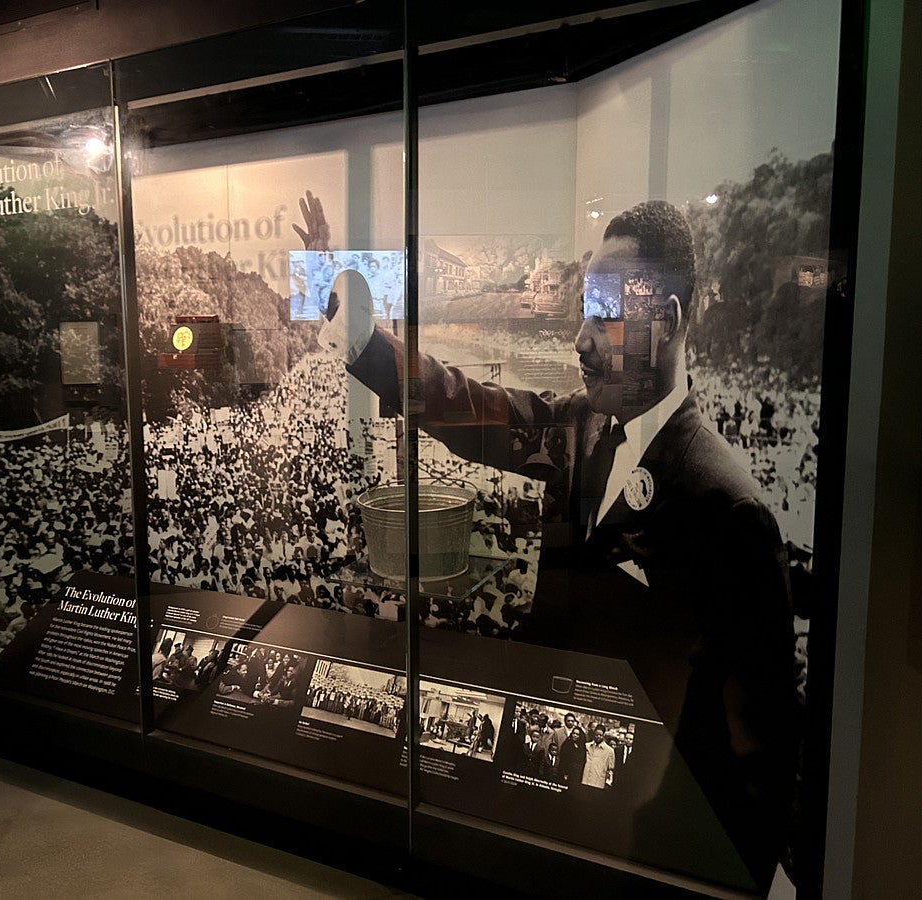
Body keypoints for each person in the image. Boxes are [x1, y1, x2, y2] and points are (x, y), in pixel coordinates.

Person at [302, 195, 797, 890]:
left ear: (671, 322)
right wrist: (358, 333)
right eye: (584, 312)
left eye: (607, 313)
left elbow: (761, 748)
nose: (581, 340)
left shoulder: (726, 507)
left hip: (650, 840)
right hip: (556, 798)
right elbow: (464, 404)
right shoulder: (580, 430)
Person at [582, 725, 616, 789]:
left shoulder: (609, 751)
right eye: (596, 734)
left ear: (603, 735)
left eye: (600, 735)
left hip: (598, 783)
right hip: (585, 780)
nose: (598, 737)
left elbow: (611, 769)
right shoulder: (587, 746)